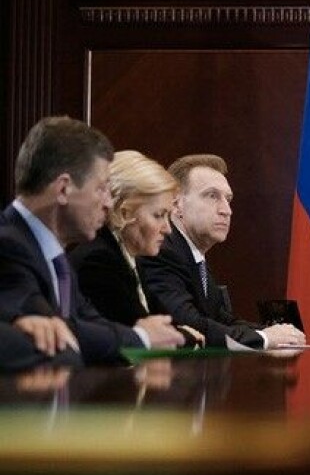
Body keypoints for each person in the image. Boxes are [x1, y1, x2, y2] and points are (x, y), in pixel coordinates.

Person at [0, 116, 184, 371]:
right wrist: (141, 338)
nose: (109, 204)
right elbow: (59, 340)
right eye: (101, 189)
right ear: (63, 189)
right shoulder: (8, 246)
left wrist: (141, 334)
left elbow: (88, 323)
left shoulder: (55, 255)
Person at [139, 154, 305, 348]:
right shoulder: (162, 251)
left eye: (228, 199)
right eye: (212, 196)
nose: (227, 210)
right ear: (176, 205)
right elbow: (188, 323)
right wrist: (264, 338)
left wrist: (277, 333)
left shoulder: (194, 257)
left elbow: (222, 320)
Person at [69, 150, 204, 345]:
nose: (168, 230)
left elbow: (164, 324)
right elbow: (146, 336)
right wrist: (185, 335)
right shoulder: (99, 261)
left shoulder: (130, 258)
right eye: (159, 215)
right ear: (124, 213)